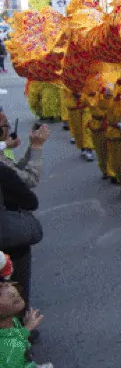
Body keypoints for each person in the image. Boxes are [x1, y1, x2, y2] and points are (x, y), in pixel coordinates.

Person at [0, 253, 77, 368]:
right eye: (0, 291)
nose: (10, 288)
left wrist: (25, 330)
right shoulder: (5, 352)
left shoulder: (10, 326)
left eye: (4, 282)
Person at [0, 125, 49, 321]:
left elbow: (15, 172)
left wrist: (31, 147)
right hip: (8, 239)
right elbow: (27, 182)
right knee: (12, 294)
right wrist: (37, 148)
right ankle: (20, 335)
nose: (9, 129)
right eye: (5, 126)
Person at [89, 85, 113, 179]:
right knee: (100, 151)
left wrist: (108, 93)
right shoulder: (88, 88)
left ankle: (113, 172)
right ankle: (105, 170)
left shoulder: (110, 83)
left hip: (110, 124)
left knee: (112, 149)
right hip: (96, 125)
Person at [65, 91, 94, 162]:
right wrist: (73, 93)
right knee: (77, 130)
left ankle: (89, 150)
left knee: (87, 129)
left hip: (86, 108)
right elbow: (65, 91)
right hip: (74, 109)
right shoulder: (66, 81)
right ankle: (83, 148)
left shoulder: (91, 80)